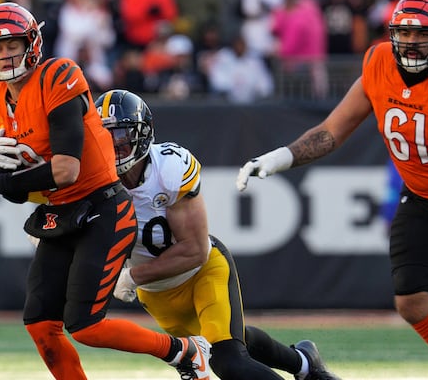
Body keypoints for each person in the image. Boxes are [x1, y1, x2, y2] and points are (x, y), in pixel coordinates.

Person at [236, 0, 428, 380]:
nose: (410, 43)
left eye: (422, 34)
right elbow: (331, 131)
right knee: (413, 301)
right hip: (422, 200)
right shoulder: (378, 62)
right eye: (404, 33)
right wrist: (278, 158)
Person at [0, 2, 211, 380]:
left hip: (101, 208)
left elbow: (66, 169)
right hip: (58, 214)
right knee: (41, 325)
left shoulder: (58, 75)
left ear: (32, 43)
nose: (5, 55)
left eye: (12, 44)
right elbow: (24, 186)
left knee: (86, 325)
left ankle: (185, 352)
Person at [94, 89, 341, 380]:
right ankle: (304, 364)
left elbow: (194, 250)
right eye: (105, 136)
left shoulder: (169, 169)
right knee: (234, 339)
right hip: (157, 293)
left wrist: (132, 277)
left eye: (121, 135)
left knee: (228, 361)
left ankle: (304, 365)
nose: (114, 145)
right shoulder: (93, 181)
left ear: (143, 134)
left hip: (201, 271)